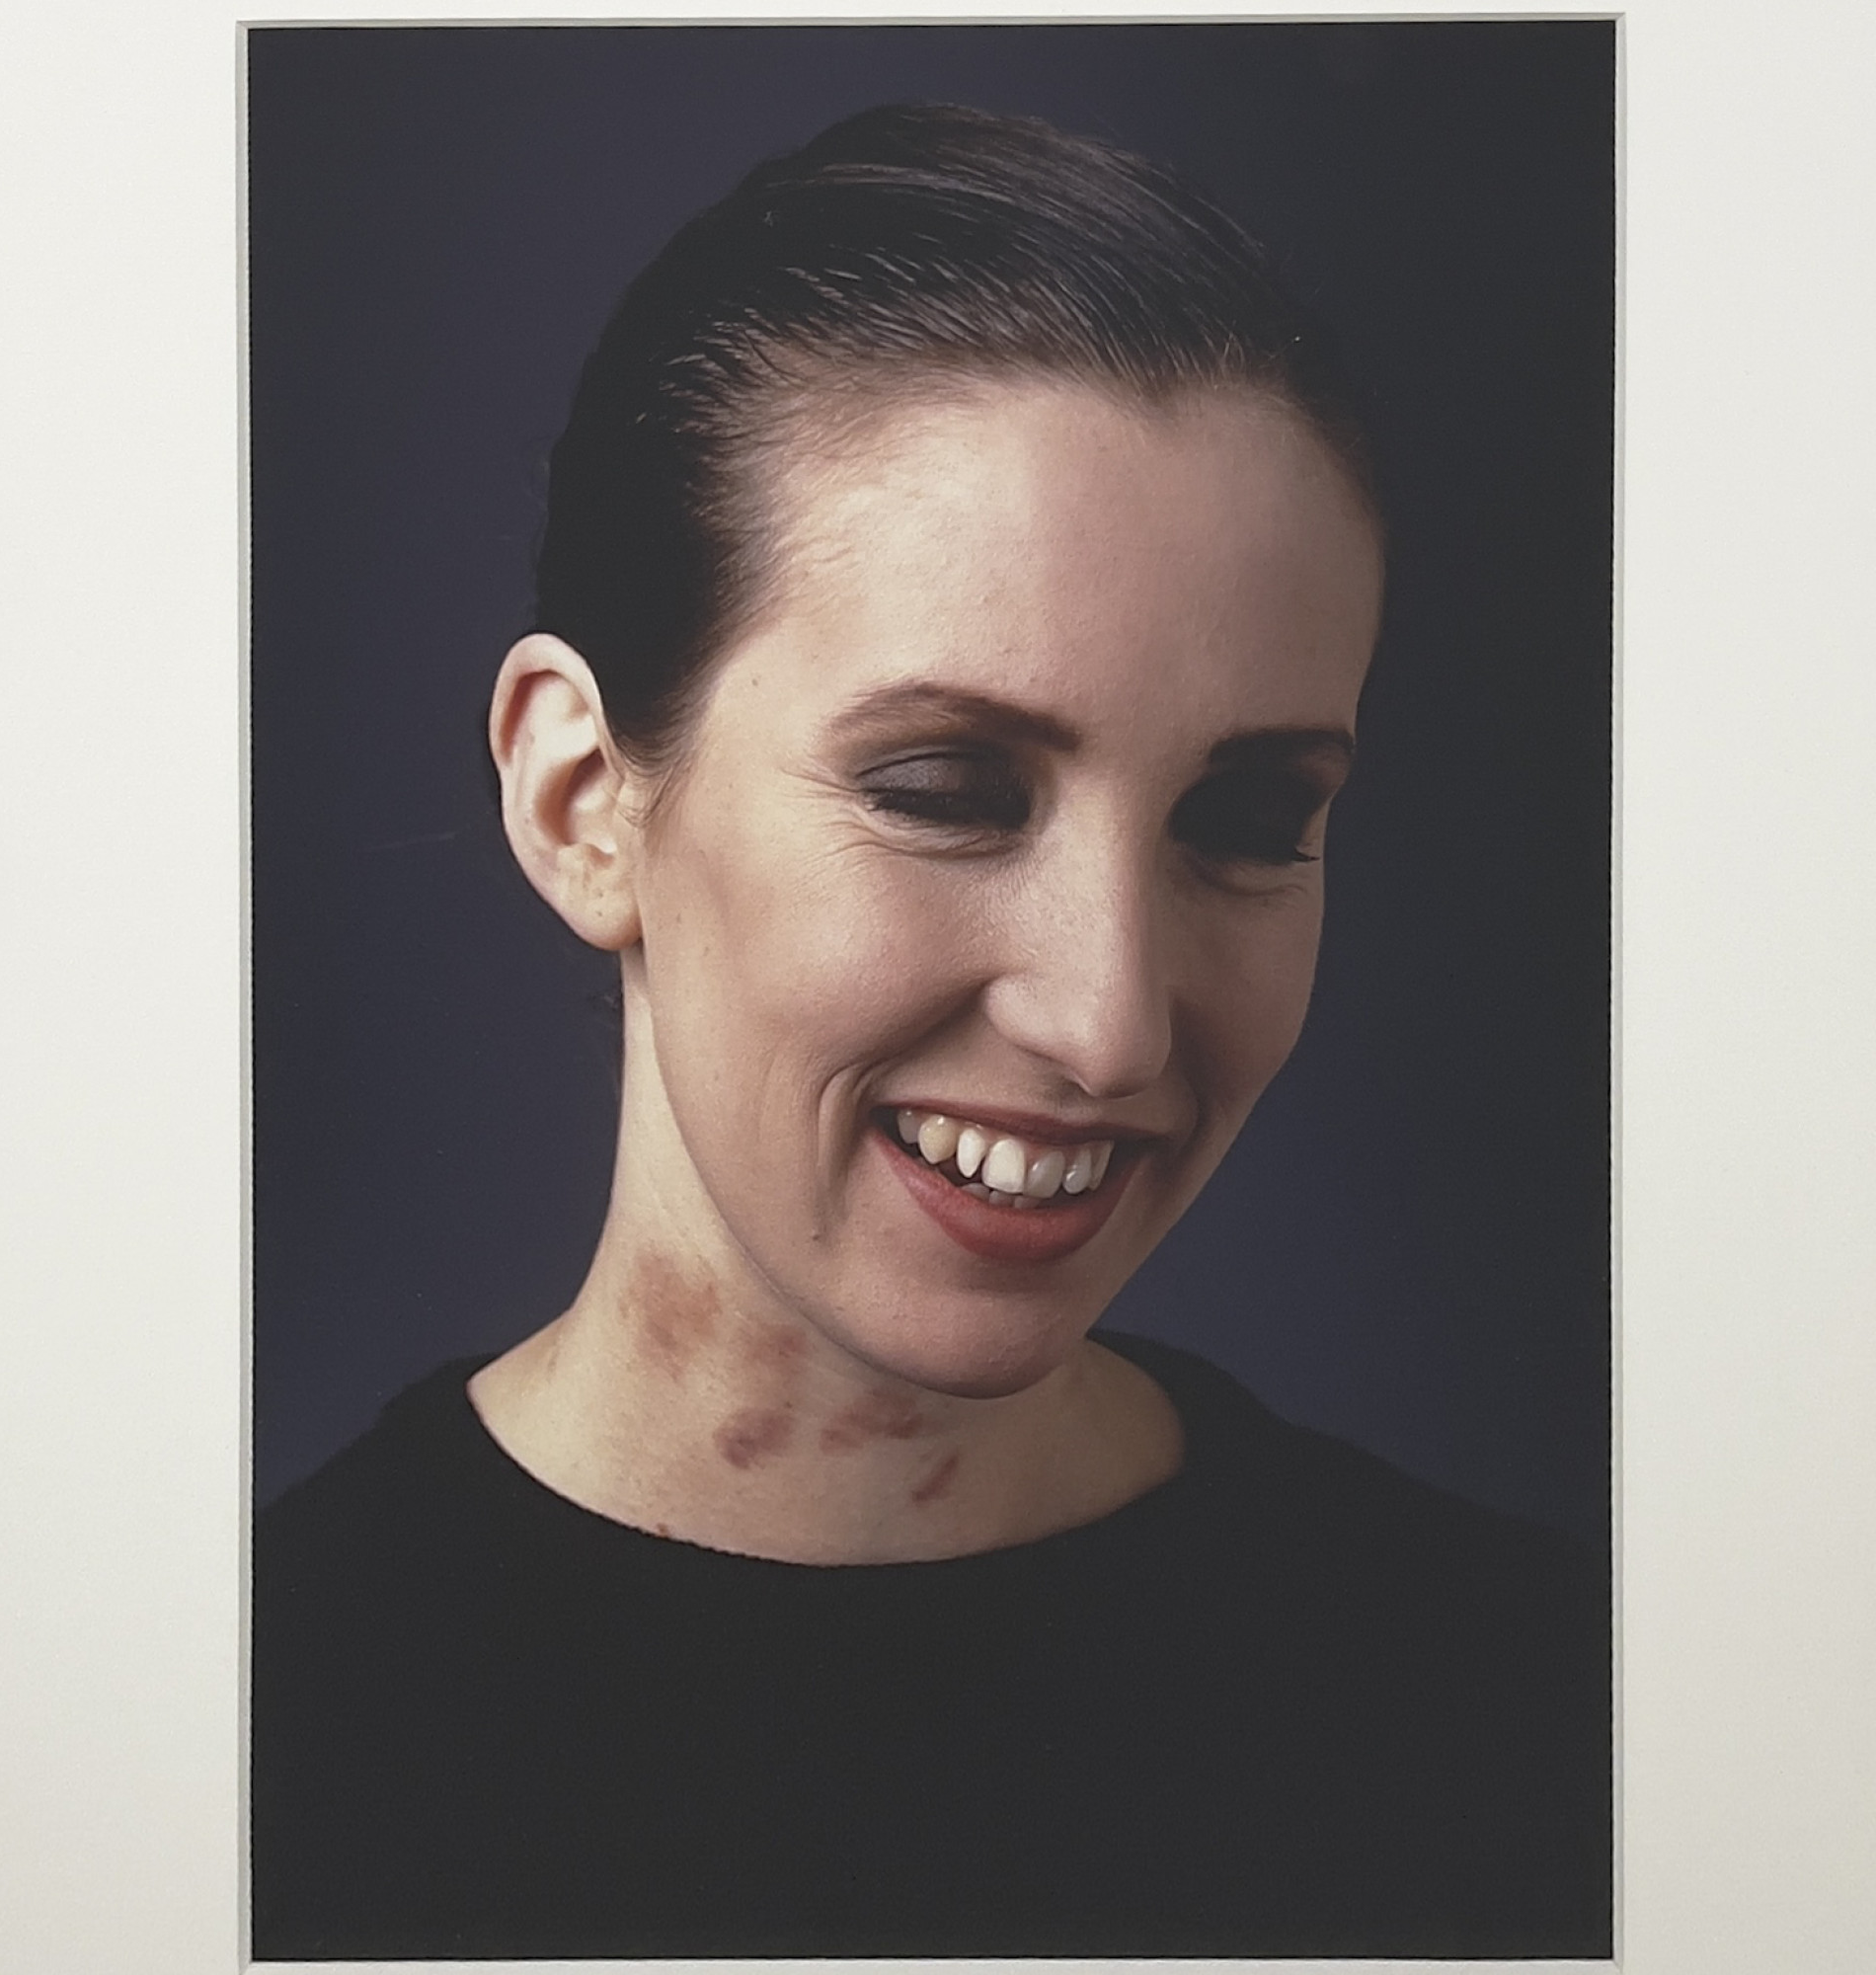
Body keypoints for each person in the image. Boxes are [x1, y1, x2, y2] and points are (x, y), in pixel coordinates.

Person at [253, 103, 1610, 1960]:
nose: (1109, 1022)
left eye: (1244, 819)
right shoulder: (199, 1760)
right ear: (582, 804)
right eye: (946, 789)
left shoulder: (1550, 1717)